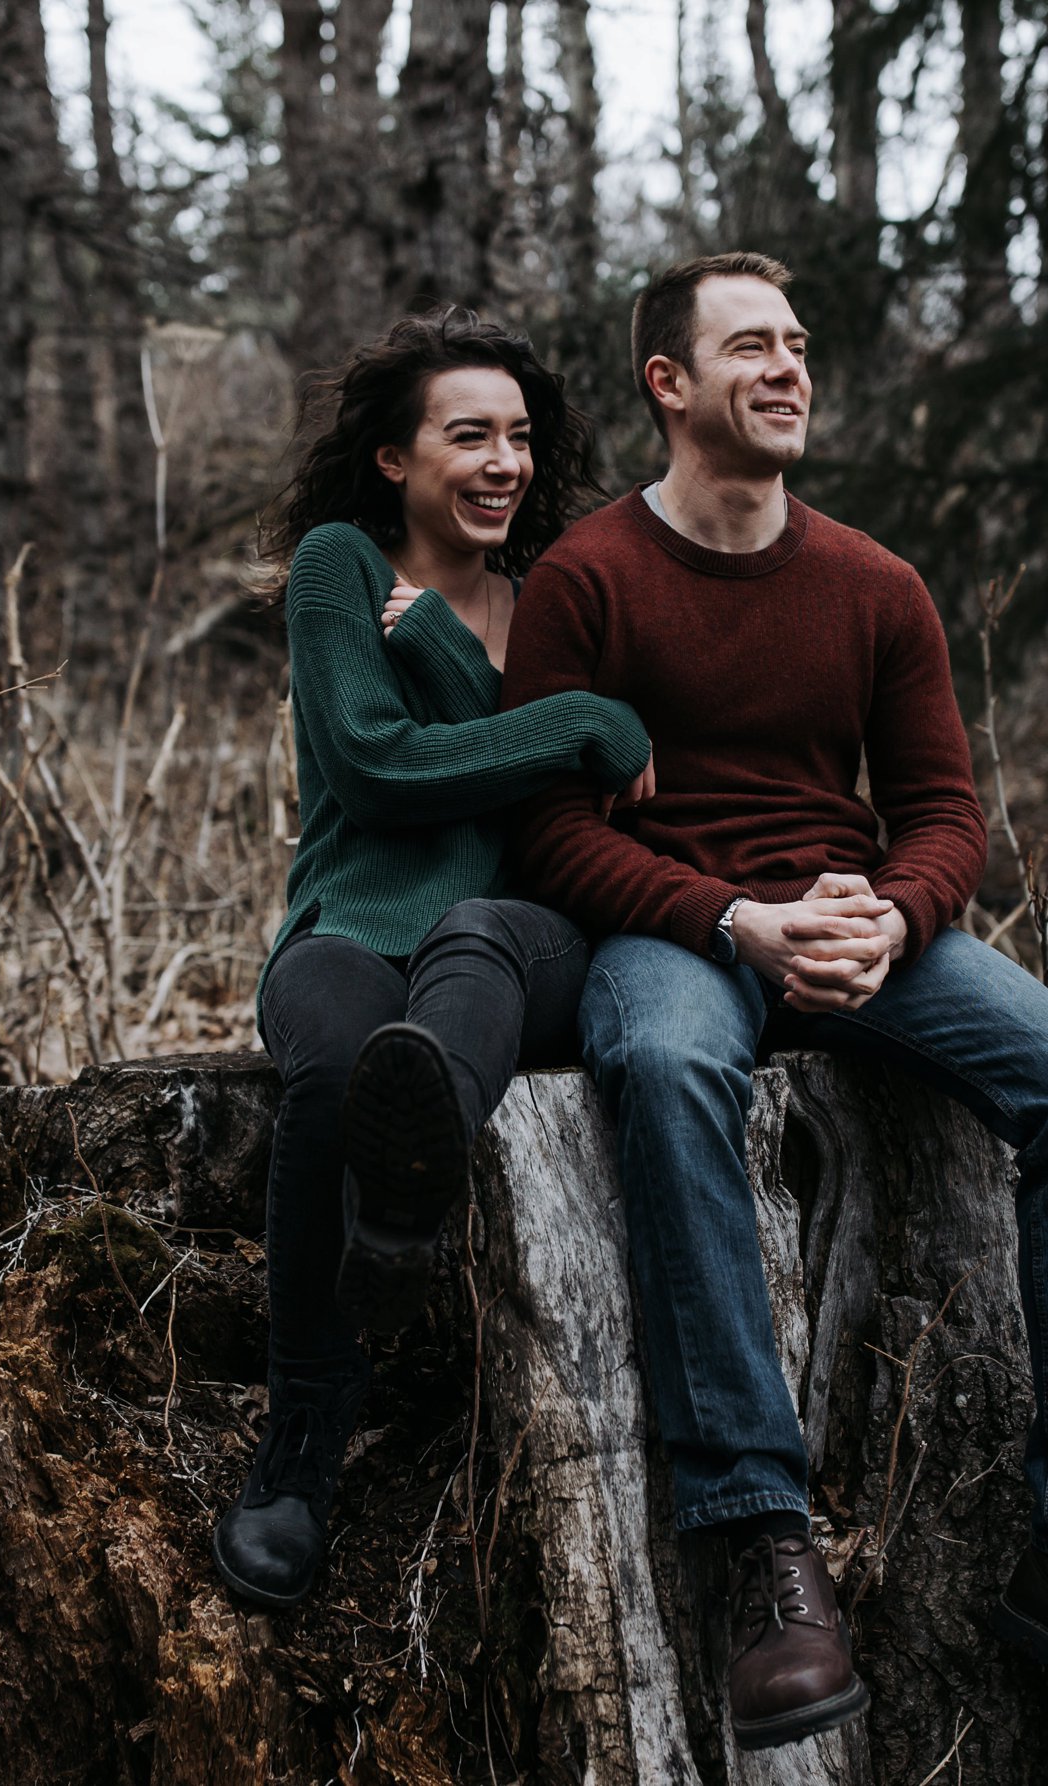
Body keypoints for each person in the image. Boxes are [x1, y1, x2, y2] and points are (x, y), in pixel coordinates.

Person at [500, 253, 1048, 1757]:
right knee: (655, 1060)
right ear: (670, 384)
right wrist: (728, 917)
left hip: (853, 928)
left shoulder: (872, 583)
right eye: (751, 349)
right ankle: (765, 1549)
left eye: (798, 347)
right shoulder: (586, 577)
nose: (790, 371)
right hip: (680, 928)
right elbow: (547, 832)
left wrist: (889, 916)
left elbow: (944, 815)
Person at [215, 309, 657, 1612]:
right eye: (469, 434)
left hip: (518, 939)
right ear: (396, 460)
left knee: (464, 972)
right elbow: (378, 765)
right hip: (352, 920)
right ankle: (301, 1442)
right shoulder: (340, 570)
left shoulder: (562, 586)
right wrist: (557, 714)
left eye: (522, 436)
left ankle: (406, 1213)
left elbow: (591, 798)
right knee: (337, 1063)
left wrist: (451, 662)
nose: (505, 461)